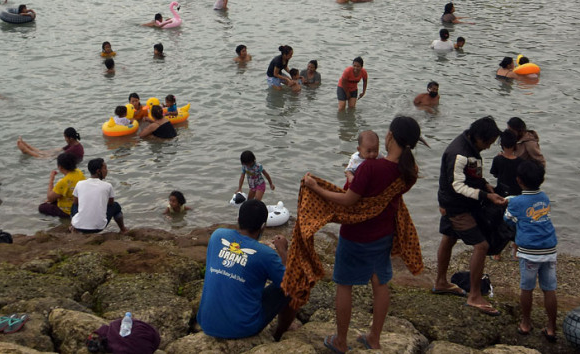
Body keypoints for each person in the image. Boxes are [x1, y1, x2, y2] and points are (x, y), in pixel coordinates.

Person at [300, 116, 423, 352]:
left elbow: (348, 201)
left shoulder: (369, 167)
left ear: (390, 137)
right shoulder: (409, 171)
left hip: (355, 236)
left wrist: (316, 188)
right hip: (384, 235)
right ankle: (374, 338)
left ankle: (341, 341)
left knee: (344, 285)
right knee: (380, 283)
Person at [196, 198, 296, 340]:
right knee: (295, 286)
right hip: (242, 328)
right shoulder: (265, 254)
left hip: (206, 322)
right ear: (263, 226)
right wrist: (283, 251)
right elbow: (290, 284)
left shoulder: (217, 235)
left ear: (238, 219)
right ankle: (279, 334)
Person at [434, 116, 505, 314]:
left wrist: (486, 186)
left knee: (448, 238)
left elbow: (472, 175)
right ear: (479, 138)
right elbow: (457, 186)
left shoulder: (471, 148)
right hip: (457, 206)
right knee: (481, 246)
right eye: (488, 143)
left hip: (452, 203)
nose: (489, 147)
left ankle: (440, 282)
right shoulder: (459, 154)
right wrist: (485, 196)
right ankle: (474, 296)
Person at [505, 161, 558, 341]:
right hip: (549, 247)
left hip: (529, 250)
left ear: (519, 180)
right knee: (549, 289)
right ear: (541, 180)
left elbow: (508, 220)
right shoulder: (544, 198)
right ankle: (551, 327)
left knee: (527, 288)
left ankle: (526, 323)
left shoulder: (517, 202)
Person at [71, 158, 126, 232]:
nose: (107, 171)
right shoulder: (108, 186)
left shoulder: (80, 184)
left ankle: (73, 226)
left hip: (78, 226)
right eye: (105, 168)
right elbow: (110, 204)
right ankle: (123, 229)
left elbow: (75, 203)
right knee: (116, 206)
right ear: (98, 171)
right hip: (98, 227)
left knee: (74, 205)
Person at [38, 151, 85, 218]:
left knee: (42, 207)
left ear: (60, 167)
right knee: (56, 197)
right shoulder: (79, 172)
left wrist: (51, 179)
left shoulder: (64, 182)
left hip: (68, 211)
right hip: (79, 206)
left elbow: (49, 198)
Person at [18, 127, 84, 162]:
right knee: (46, 153)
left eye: (65, 137)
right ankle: (27, 148)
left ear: (71, 138)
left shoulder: (74, 148)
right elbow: (57, 150)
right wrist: (29, 147)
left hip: (74, 162)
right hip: (69, 158)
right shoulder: (72, 144)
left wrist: (28, 151)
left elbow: (53, 157)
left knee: (46, 157)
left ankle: (26, 151)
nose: (65, 139)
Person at [490, 129, 522, 198]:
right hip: (517, 194)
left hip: (501, 194)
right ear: (515, 144)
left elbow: (495, 174)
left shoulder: (497, 159)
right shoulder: (521, 161)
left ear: (502, 144)